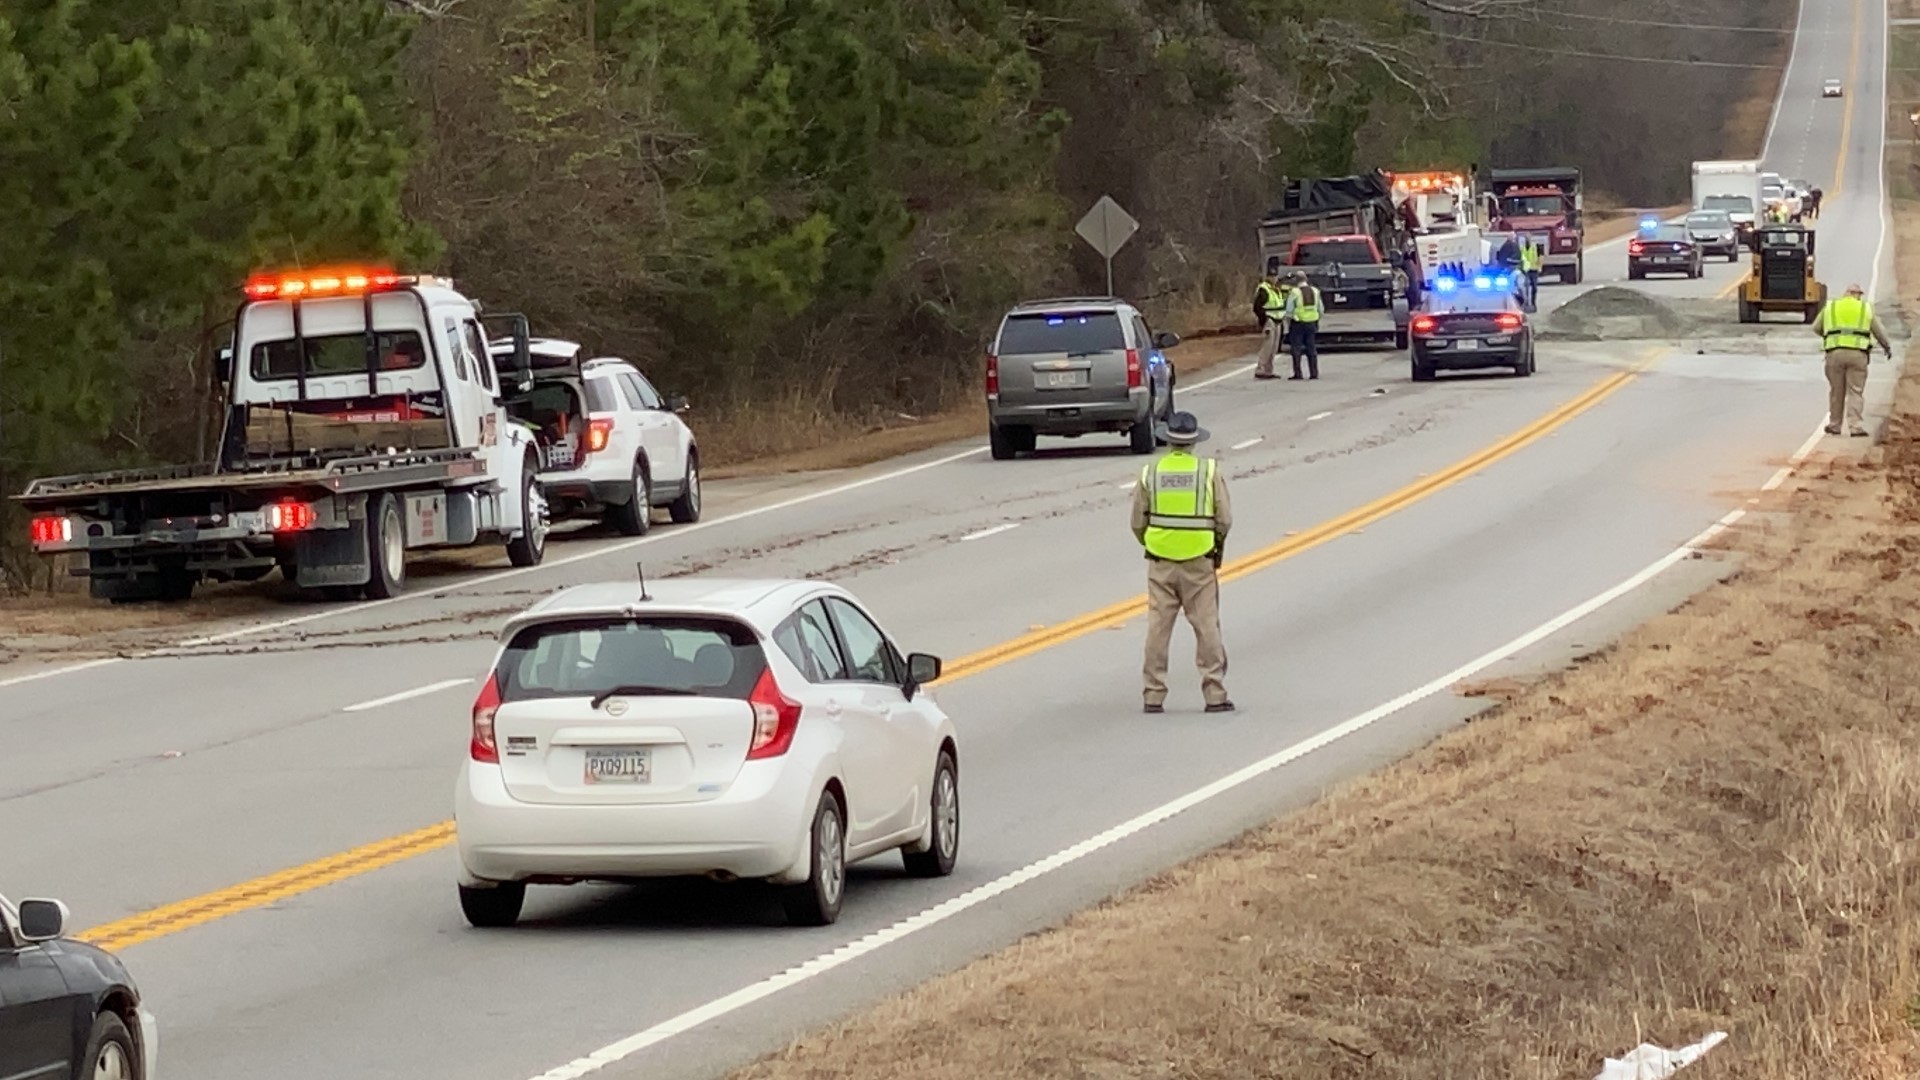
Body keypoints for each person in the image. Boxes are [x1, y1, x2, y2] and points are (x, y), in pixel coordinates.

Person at [1130, 411, 1233, 714]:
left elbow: (1137, 520)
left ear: (1168, 439)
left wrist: (1152, 542)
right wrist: (1214, 544)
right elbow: (1224, 519)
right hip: (1199, 561)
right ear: (1194, 442)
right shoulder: (1208, 471)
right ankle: (1214, 692)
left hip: (1160, 561)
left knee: (1158, 628)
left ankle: (1153, 694)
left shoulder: (1151, 472)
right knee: (1206, 625)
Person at [1812, 282, 1891, 437]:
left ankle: (1835, 425)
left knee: (1837, 391)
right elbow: (1878, 331)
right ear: (1858, 295)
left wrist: (1831, 336)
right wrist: (1886, 347)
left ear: (1845, 293)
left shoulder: (1831, 306)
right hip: (1858, 355)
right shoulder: (1864, 308)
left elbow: (1816, 327)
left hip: (1835, 353)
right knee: (1855, 391)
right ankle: (1855, 426)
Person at [1284, 271, 1322, 380]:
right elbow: (1321, 309)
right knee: (1311, 348)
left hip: (1298, 323)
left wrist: (1289, 321)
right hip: (1312, 322)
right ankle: (1314, 373)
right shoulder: (1315, 291)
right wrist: (1316, 318)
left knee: (1296, 348)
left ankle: (1298, 373)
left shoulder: (1294, 292)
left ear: (1296, 280)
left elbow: (1289, 310)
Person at [1252, 268, 1287, 380]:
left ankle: (1269, 370)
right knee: (1267, 346)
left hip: (1278, 320)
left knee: (1274, 347)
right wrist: (1265, 320)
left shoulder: (1276, 289)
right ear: (1267, 277)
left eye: (1275, 276)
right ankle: (1260, 369)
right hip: (1270, 320)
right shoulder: (1264, 289)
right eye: (1272, 276)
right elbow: (1257, 307)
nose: (1274, 278)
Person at [1518, 235, 1542, 311]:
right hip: (1526, 271)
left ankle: (1533, 303)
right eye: (1526, 239)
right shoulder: (1522, 249)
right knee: (1526, 288)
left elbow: (1540, 257)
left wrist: (1539, 266)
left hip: (1534, 270)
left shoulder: (1535, 247)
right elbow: (1520, 259)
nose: (1527, 240)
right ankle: (1527, 304)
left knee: (1534, 288)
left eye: (1529, 239)